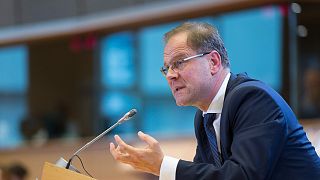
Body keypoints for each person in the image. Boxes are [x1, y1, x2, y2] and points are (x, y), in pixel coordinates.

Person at [109, 22, 320, 179]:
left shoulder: (253, 99)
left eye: (179, 62)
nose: (170, 75)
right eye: (167, 68)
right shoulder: (204, 116)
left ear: (213, 62)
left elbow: (243, 176)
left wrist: (162, 166)